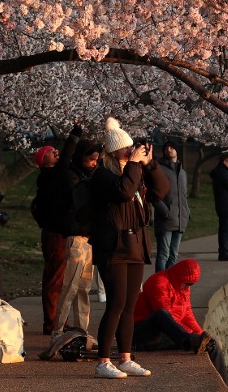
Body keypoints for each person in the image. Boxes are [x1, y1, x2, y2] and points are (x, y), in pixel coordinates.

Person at [89, 117, 169, 378]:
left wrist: (151, 164)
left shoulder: (135, 172)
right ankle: (103, 362)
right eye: (126, 149)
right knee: (116, 302)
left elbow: (162, 190)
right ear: (114, 152)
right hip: (112, 247)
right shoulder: (102, 174)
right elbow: (123, 192)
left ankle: (124, 358)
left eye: (132, 148)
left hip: (135, 245)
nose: (130, 152)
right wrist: (134, 164)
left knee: (129, 305)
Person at [132, 259, 228, 383]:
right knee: (161, 314)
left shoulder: (183, 288)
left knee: (213, 344)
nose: (187, 287)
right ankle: (189, 341)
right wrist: (191, 336)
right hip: (143, 335)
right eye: (187, 283)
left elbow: (187, 315)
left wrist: (201, 336)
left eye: (191, 284)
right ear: (178, 276)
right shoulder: (159, 282)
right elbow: (168, 319)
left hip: (167, 336)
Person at [48, 139, 102, 343]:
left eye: (96, 160)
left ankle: (82, 329)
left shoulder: (88, 176)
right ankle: (58, 330)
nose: (94, 163)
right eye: (91, 159)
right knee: (70, 286)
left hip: (89, 237)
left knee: (84, 288)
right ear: (81, 158)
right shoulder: (71, 176)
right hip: (76, 236)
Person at [32, 126, 82, 334]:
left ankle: (57, 320)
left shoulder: (54, 178)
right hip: (55, 234)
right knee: (55, 277)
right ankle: (52, 322)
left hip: (57, 232)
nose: (55, 152)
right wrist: (74, 136)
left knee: (60, 278)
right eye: (49, 152)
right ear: (44, 162)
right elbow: (64, 162)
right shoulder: (49, 177)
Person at [154, 142, 190, 271]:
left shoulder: (182, 172)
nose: (169, 150)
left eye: (172, 147)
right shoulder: (159, 169)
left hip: (180, 218)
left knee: (173, 255)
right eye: (166, 148)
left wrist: (187, 213)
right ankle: (159, 283)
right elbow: (154, 194)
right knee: (163, 254)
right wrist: (165, 211)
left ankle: (169, 284)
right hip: (166, 219)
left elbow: (183, 195)